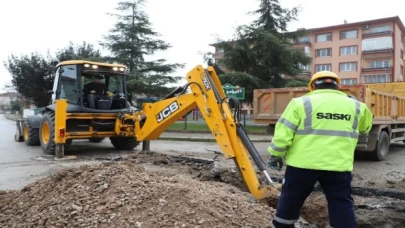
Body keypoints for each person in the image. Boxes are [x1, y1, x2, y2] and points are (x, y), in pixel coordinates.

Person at [267, 71, 373, 228]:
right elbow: (365, 128)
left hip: (302, 166)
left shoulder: (300, 103)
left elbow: (283, 134)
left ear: (313, 86)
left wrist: (276, 155)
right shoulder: (356, 106)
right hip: (338, 166)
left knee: (291, 199)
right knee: (341, 202)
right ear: (338, 86)